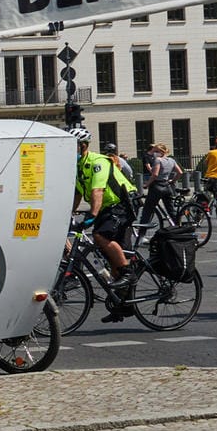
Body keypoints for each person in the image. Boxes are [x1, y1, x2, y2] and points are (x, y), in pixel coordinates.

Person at [69, 127, 141, 317]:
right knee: (111, 257)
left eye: (72, 146)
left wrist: (91, 215)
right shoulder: (79, 166)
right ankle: (123, 305)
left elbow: (97, 191)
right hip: (108, 207)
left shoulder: (97, 161)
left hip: (122, 203)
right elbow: (77, 193)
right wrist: (67, 215)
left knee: (100, 235)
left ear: (83, 146)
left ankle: (128, 273)